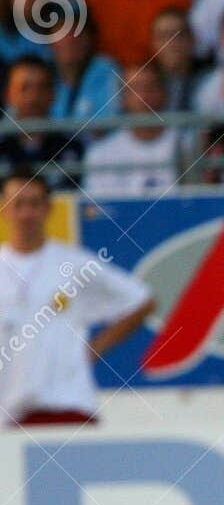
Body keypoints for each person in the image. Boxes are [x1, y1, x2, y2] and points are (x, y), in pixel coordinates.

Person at [0, 168, 153, 426]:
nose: (26, 213)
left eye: (34, 204)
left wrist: (93, 350)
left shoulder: (73, 264)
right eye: (18, 204)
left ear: (48, 209)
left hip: (68, 402)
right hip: (10, 410)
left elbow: (140, 301)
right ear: (4, 208)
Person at [82, 67, 179, 197]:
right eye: (135, 89)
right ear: (122, 98)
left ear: (164, 93)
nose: (144, 96)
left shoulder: (184, 144)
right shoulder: (100, 153)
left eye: (151, 87)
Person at [0, 57, 79, 185]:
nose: (33, 97)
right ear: (8, 95)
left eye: (41, 87)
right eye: (24, 88)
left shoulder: (71, 146)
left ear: (53, 94)